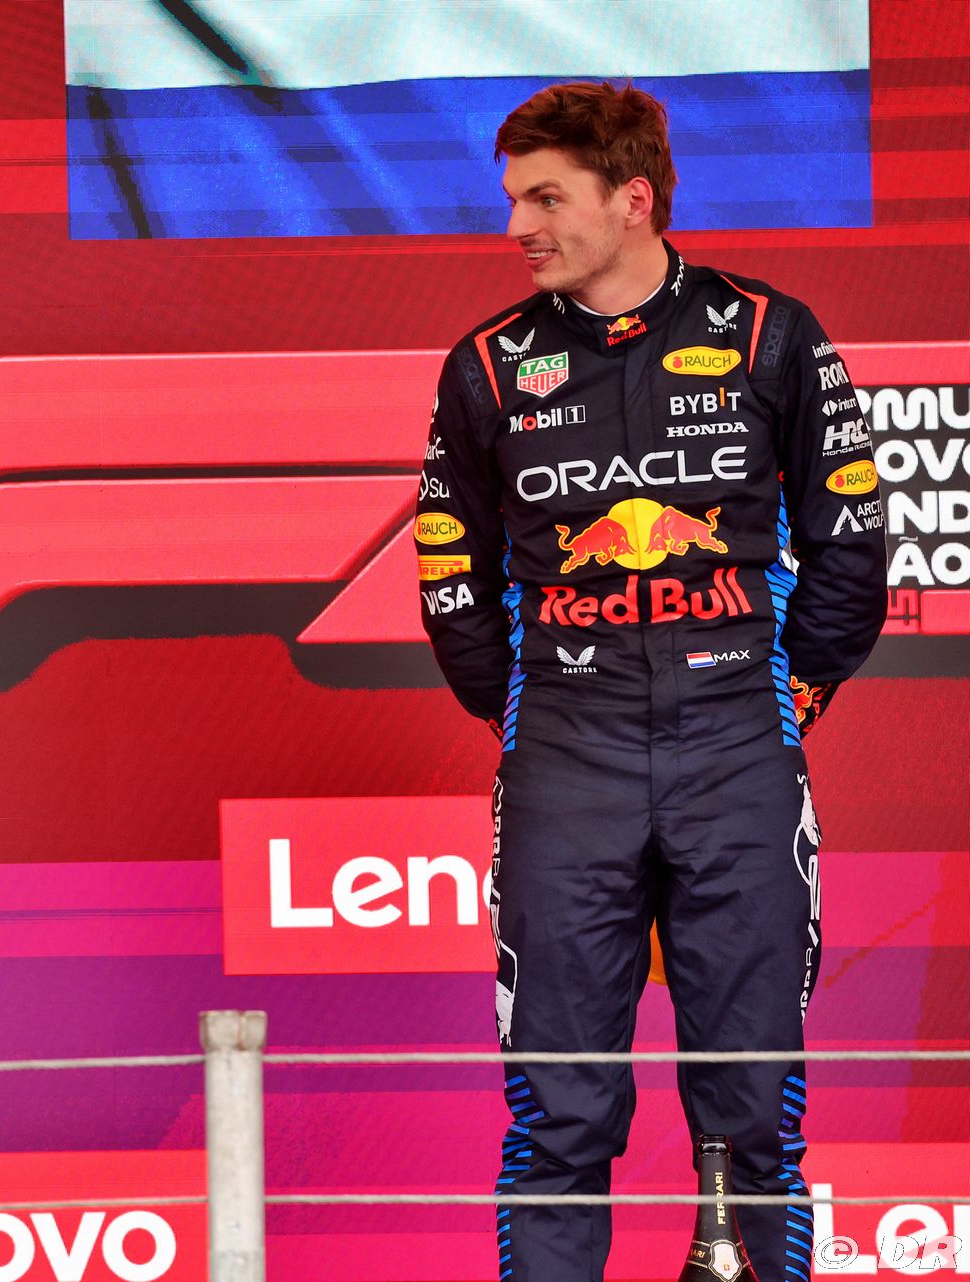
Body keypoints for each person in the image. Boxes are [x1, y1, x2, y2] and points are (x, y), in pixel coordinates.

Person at [415, 83, 886, 1281]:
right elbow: (448, 560)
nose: (518, 226)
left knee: (755, 1111)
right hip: (565, 758)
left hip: (736, 749)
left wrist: (780, 690)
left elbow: (851, 543)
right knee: (557, 1118)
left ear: (632, 199)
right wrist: (525, 699)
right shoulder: (487, 366)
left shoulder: (771, 333)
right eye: (513, 199)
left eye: (544, 198)